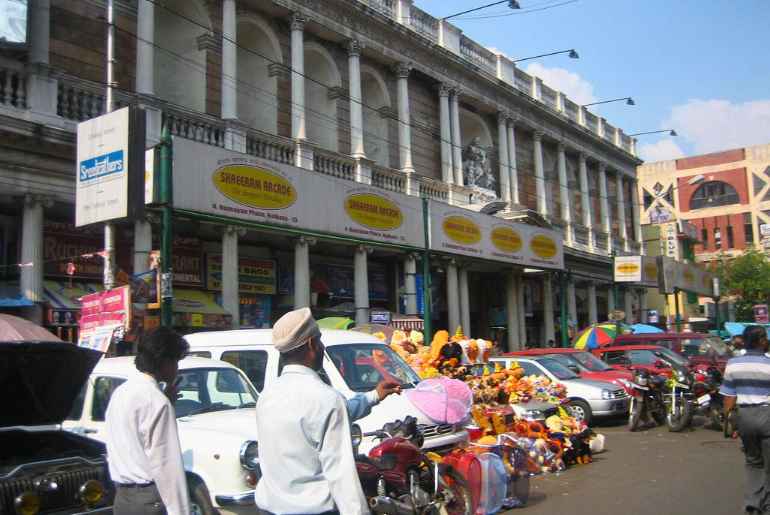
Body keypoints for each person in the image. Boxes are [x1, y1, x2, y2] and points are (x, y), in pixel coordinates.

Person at [256, 308, 400, 515]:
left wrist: (374, 395)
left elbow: (320, 419)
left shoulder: (267, 396)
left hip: (268, 509)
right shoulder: (325, 399)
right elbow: (341, 473)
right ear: (312, 345)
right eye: (320, 341)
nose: (322, 347)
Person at [105, 327, 190, 515]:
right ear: (163, 361)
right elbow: (167, 465)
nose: (177, 368)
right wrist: (181, 511)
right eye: (175, 361)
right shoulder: (156, 402)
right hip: (149, 499)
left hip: (123, 498)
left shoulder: (121, 392)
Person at [720, 326, 770, 514]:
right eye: (765, 338)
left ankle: (752, 503)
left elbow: (728, 398)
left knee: (753, 461)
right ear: (761, 341)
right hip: (767, 415)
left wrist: (732, 424)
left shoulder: (733, 364)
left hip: (745, 416)